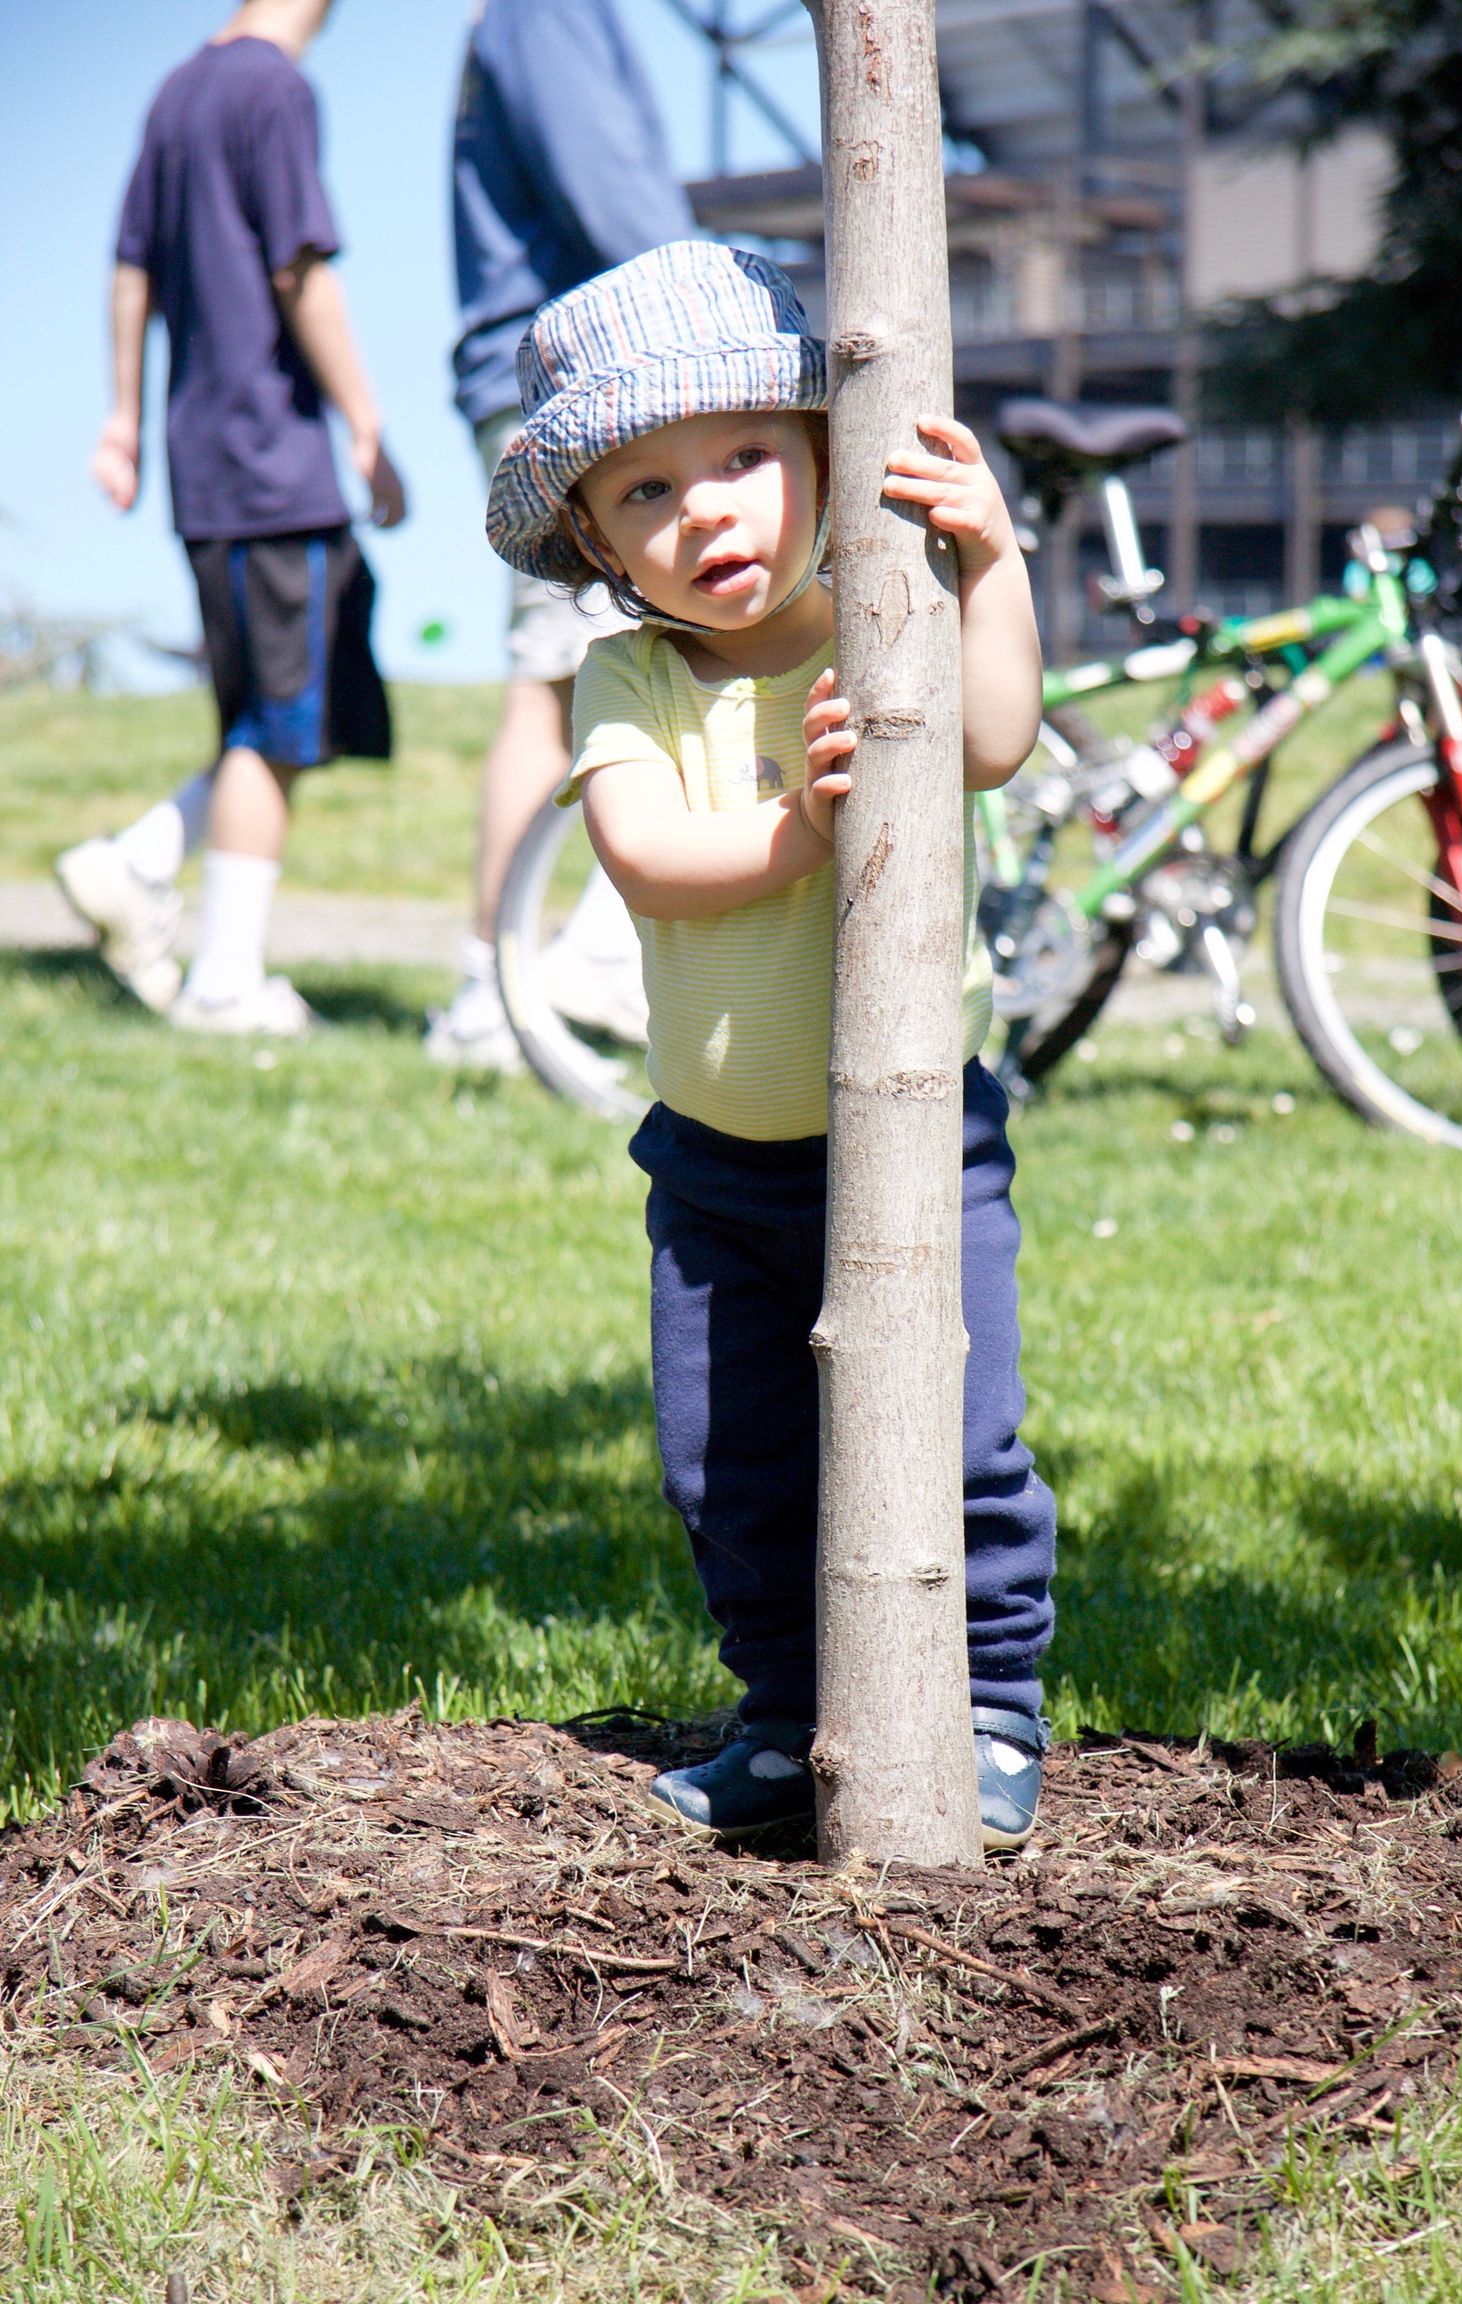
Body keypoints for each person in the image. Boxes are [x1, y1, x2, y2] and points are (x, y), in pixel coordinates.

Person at [485, 241, 1058, 1846]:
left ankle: (993, 1709)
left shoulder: (877, 621)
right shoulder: (631, 676)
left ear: (821, 457)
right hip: (717, 1168)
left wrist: (993, 564)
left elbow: (997, 743)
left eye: (743, 458)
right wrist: (803, 833)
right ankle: (790, 1721)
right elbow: (649, 864)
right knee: (728, 1470)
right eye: (647, 492)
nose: (708, 512)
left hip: (917, 1141)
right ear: (595, 539)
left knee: (959, 1439)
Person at [58, 0, 404, 1036]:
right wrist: (365, 421)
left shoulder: (178, 90)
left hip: (202, 458)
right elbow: (299, 265)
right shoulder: (272, 87)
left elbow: (132, 269)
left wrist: (124, 415)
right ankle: (223, 982)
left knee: (282, 706)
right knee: (277, 728)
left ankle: (145, 859)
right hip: (270, 460)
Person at [425, 0, 696, 1073]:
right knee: (560, 678)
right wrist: (721, 319)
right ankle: (503, 985)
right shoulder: (548, 12)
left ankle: (546, 964)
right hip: (576, 391)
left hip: (554, 381)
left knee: (574, 673)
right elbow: (615, 195)